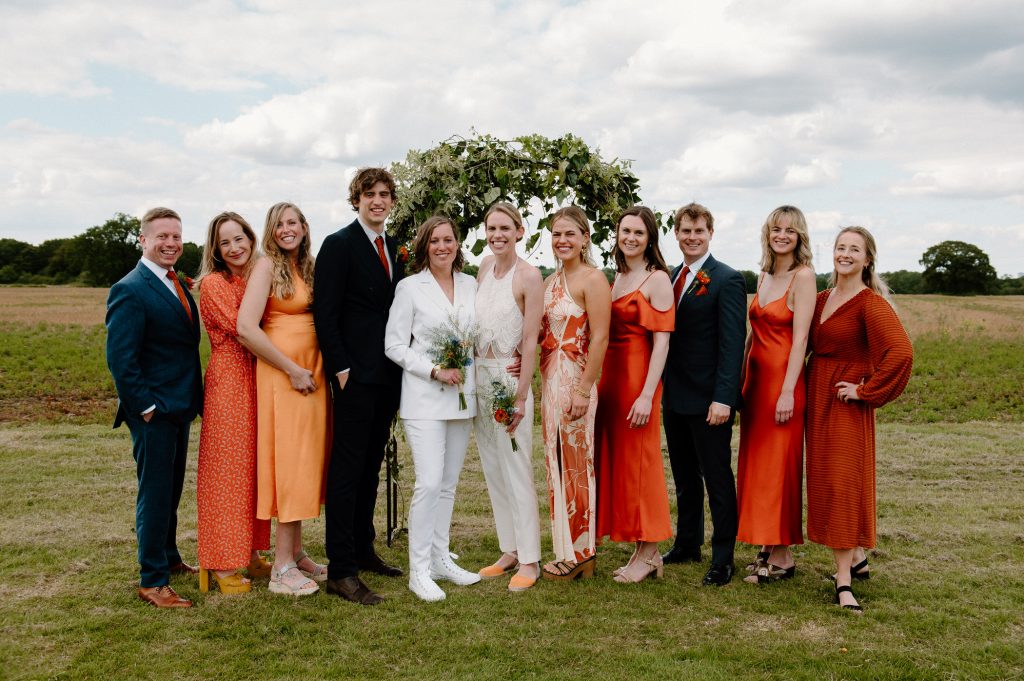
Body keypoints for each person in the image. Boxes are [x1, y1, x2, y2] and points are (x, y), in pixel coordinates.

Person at [806, 226, 913, 612]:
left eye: (854, 249)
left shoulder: (870, 303)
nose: (845, 254)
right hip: (818, 401)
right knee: (825, 482)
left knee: (843, 485)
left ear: (867, 259)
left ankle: (844, 582)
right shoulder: (821, 299)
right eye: (840, 247)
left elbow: (900, 352)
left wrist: (865, 391)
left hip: (846, 406)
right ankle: (857, 558)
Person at [313, 167, 404, 606]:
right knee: (347, 470)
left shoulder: (393, 248)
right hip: (354, 376)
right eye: (370, 194)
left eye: (385, 194)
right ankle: (341, 569)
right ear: (356, 200)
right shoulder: (338, 245)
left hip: (388, 375)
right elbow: (325, 314)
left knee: (372, 465)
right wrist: (341, 369)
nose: (378, 201)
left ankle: (364, 550)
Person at [106, 207, 203, 608]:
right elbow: (121, 359)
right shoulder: (130, 288)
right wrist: (145, 406)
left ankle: (170, 558)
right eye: (162, 236)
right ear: (143, 240)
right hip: (154, 410)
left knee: (171, 489)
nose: (171, 243)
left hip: (178, 406)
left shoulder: (174, 282)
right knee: (155, 492)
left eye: (176, 237)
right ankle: (152, 580)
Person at [384, 216, 480, 602]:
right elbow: (393, 345)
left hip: (463, 397)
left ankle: (441, 558)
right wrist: (434, 370)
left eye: (449, 240)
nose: (443, 246)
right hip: (424, 398)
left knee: (448, 484)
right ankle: (419, 570)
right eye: (435, 240)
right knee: (428, 482)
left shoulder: (472, 284)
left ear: (458, 244)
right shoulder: (409, 288)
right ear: (425, 246)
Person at [237, 202, 329, 597]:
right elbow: (246, 328)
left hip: (312, 374)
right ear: (271, 231)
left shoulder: (306, 265)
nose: (286, 230)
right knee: (290, 464)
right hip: (285, 376)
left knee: (307, 461)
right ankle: (281, 567)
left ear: (305, 227)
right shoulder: (265, 267)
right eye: (279, 225)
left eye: (293, 222)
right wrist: (291, 369)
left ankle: (296, 551)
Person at [661, 202, 747, 586]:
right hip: (675, 396)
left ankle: (724, 557)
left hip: (711, 399)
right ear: (676, 234)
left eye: (699, 231)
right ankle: (687, 543)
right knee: (683, 476)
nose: (692, 237)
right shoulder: (671, 276)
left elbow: (733, 345)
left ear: (711, 233)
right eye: (685, 231)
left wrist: (724, 398)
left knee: (717, 478)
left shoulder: (727, 279)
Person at [736, 206, 816, 584]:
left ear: (800, 236)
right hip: (756, 382)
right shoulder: (764, 274)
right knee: (758, 470)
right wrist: (737, 380)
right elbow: (754, 331)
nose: (782, 235)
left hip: (783, 385)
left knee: (780, 469)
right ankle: (768, 545)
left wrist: (787, 390)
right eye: (776, 228)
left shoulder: (804, 277)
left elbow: (802, 338)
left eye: (790, 230)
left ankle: (783, 555)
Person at [595, 206, 675, 583]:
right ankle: (642, 550)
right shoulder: (619, 275)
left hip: (638, 379)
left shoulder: (658, 279)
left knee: (642, 466)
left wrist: (647, 395)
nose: (630, 238)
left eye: (638, 233)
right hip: (611, 378)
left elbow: (662, 344)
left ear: (650, 239)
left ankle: (649, 551)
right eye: (625, 231)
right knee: (623, 465)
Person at [194, 211, 272, 595]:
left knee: (255, 469)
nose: (235, 247)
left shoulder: (254, 275)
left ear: (250, 237)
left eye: (239, 238)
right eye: (225, 242)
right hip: (230, 378)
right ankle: (222, 563)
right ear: (216, 249)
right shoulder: (212, 283)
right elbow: (247, 329)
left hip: (257, 377)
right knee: (227, 472)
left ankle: (252, 550)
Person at [473, 202, 544, 592]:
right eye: (491, 228)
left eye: (505, 228)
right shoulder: (484, 268)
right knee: (493, 467)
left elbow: (530, 339)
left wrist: (520, 395)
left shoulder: (529, 276)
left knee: (517, 467)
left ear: (519, 231)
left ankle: (531, 559)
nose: (497, 235)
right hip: (480, 378)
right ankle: (509, 549)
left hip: (508, 380)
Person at [539, 205, 611, 581]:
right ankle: (564, 548)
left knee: (577, 463)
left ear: (585, 238)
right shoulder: (550, 281)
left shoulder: (593, 279)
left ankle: (583, 550)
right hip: (551, 380)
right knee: (555, 461)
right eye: (556, 234)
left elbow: (600, 337)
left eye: (570, 234)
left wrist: (584, 389)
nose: (562, 241)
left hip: (576, 381)